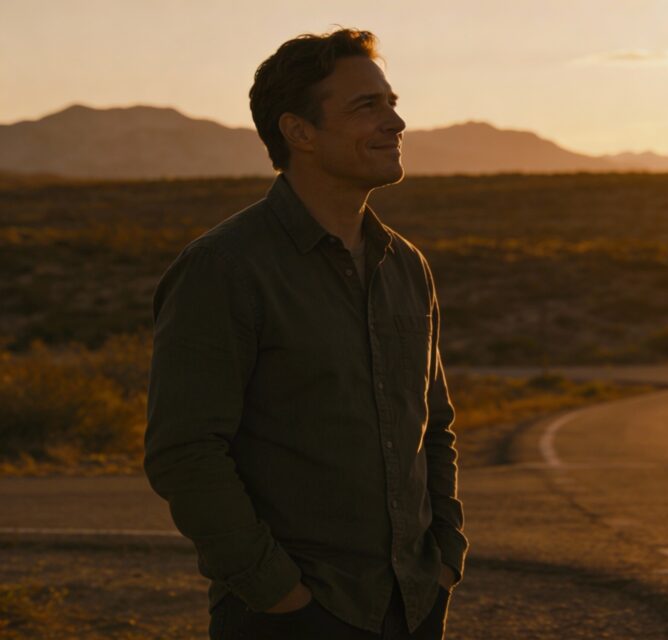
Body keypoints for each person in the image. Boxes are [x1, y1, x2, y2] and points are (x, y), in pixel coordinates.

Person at [144, 28, 466, 639]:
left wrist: (444, 554)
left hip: (414, 603)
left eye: (392, 102)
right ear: (299, 133)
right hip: (294, 614)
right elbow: (185, 451)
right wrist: (277, 592)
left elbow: (434, 421)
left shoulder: (405, 265)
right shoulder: (226, 268)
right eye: (367, 106)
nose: (396, 122)